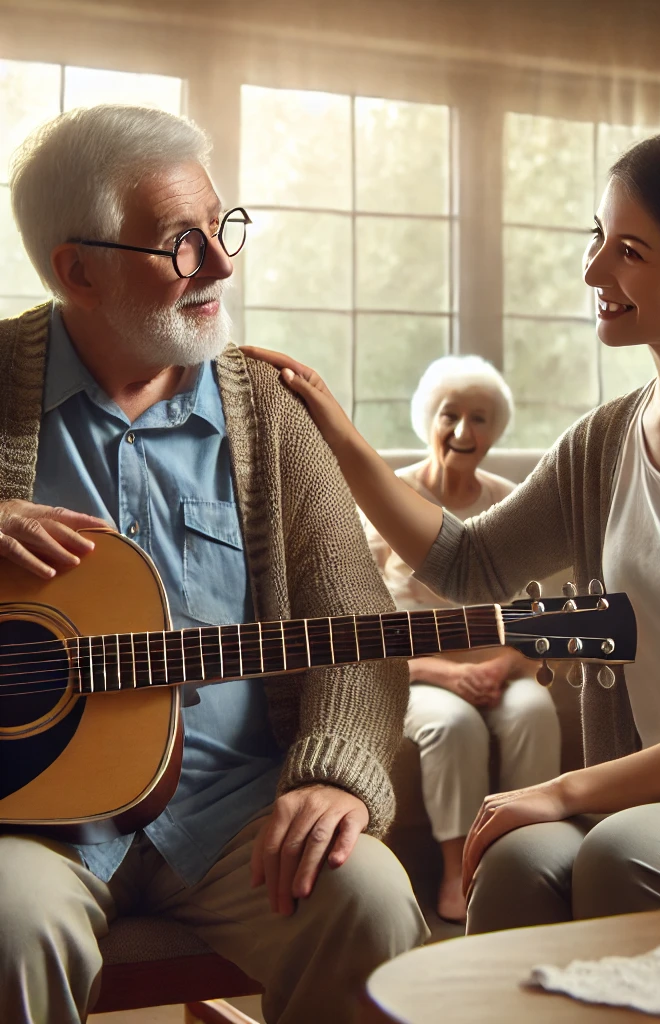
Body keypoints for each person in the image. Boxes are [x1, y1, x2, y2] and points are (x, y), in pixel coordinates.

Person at [243, 125, 660, 936]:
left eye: (630, 251)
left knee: (622, 853)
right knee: (518, 859)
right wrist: (341, 436)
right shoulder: (607, 439)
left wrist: (564, 791)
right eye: (598, 238)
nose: (593, 270)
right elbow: (469, 561)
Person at [0, 105, 426, 1024]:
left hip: (239, 811)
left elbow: (357, 619)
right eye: (182, 245)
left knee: (375, 903)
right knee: (7, 929)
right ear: (77, 268)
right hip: (32, 822)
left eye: (220, 229)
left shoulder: (270, 411)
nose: (222, 266)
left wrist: (337, 769)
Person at [365, 355, 561, 923]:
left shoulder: (511, 501)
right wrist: (447, 674)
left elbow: (541, 614)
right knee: (453, 726)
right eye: (449, 415)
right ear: (428, 418)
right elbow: (359, 622)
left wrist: (501, 668)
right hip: (416, 675)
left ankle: (526, 863)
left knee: (535, 713)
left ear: (494, 430)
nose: (462, 432)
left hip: (502, 670)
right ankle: (459, 873)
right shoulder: (388, 499)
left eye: (479, 418)